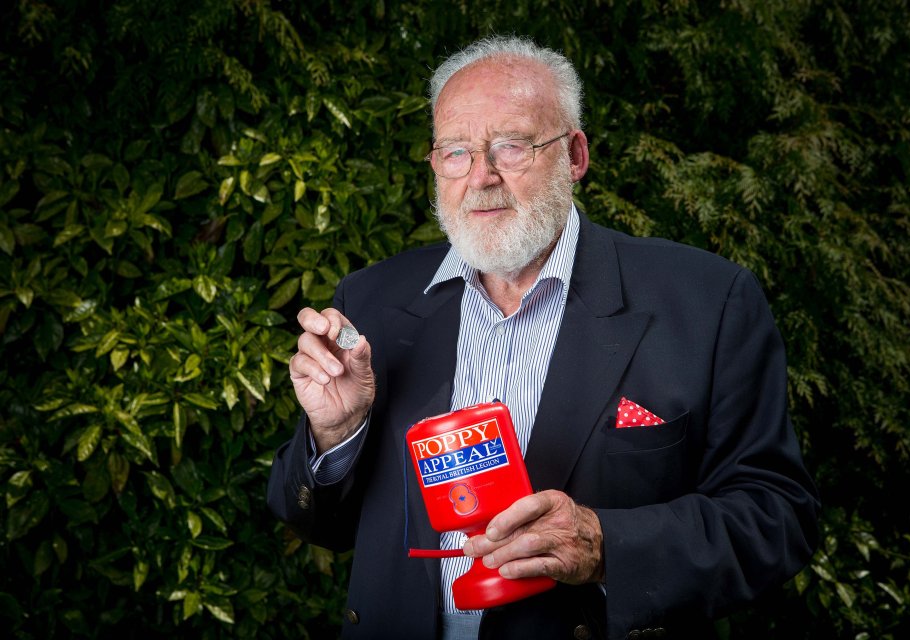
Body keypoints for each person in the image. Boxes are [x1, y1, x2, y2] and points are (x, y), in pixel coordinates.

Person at [267, 35, 819, 640]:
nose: (481, 177)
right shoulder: (371, 302)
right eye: (455, 152)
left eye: (512, 146)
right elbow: (319, 524)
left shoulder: (708, 302)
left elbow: (778, 518)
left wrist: (606, 544)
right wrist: (337, 434)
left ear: (575, 155)